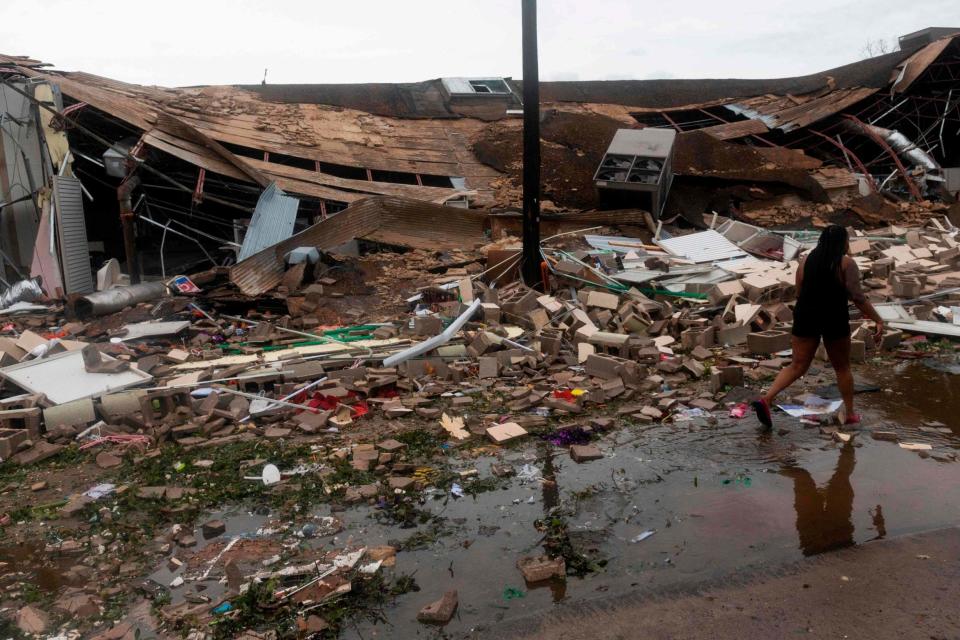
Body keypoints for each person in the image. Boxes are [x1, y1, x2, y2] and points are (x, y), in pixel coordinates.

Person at [752, 225, 884, 429]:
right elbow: (857, 296)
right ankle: (849, 414)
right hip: (833, 317)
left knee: (797, 365)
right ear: (843, 242)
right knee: (842, 367)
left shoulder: (805, 261)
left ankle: (766, 399)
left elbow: (799, 292)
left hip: (806, 315)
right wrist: (878, 319)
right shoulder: (846, 263)